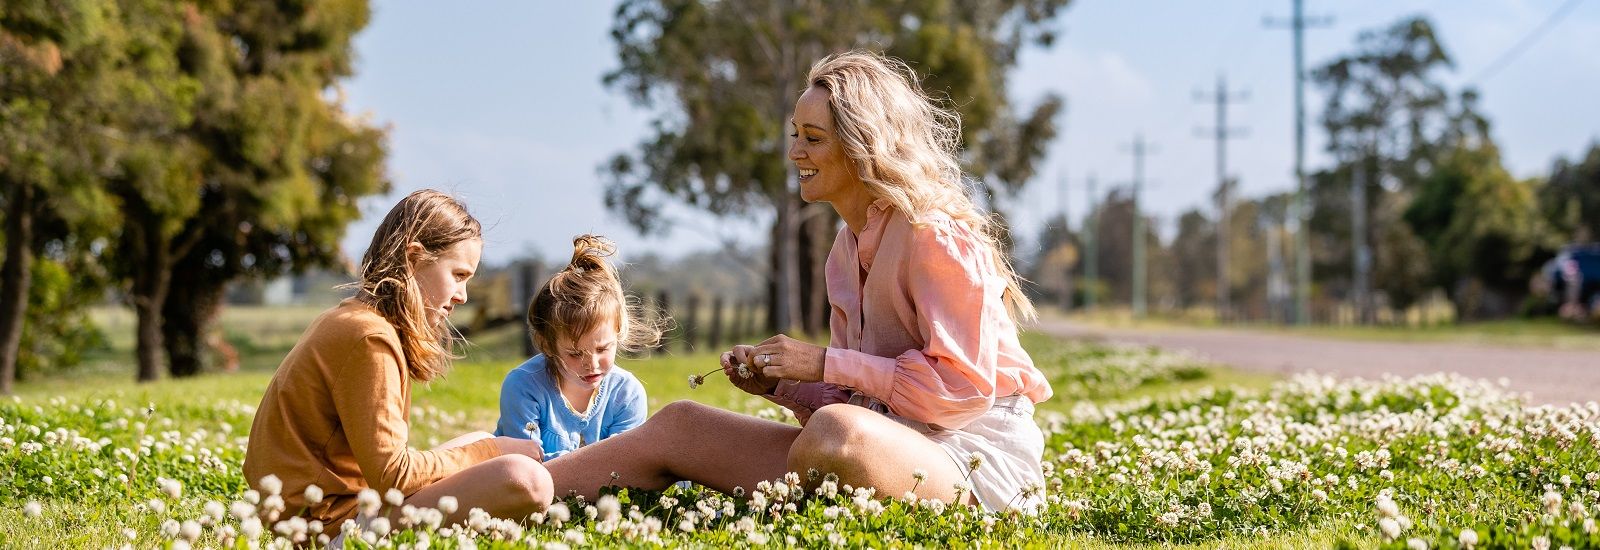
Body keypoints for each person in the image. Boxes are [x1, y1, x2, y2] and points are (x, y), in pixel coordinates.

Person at [545, 50, 1054, 512]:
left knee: (837, 436)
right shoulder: (845, 249)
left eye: (813, 139)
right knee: (682, 424)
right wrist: (786, 385)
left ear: (861, 148)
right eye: (795, 135)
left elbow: (959, 392)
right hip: (882, 441)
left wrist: (822, 363)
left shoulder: (931, 236)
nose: (795, 154)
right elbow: (863, 401)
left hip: (974, 464)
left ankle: (800, 504)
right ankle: (512, 488)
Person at [243, 189, 552, 529]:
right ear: (414, 259)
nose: (463, 295)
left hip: (325, 512)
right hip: (326, 526)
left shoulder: (356, 320)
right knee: (526, 479)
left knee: (480, 440)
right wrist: (492, 454)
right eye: (458, 275)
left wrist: (487, 449)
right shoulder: (370, 339)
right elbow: (394, 475)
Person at [494, 235, 661, 460]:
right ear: (547, 344)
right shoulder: (523, 386)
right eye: (574, 353)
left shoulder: (627, 394)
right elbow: (526, 466)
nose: (591, 364)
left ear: (618, 333)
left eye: (602, 349)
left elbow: (625, 465)